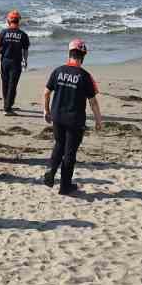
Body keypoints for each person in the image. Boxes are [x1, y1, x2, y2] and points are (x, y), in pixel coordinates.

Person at [43, 38, 103, 196]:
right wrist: (98, 120)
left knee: (59, 144)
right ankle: (65, 186)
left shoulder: (57, 71)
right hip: (74, 120)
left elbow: (46, 93)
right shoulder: (85, 76)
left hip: (57, 116)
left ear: (69, 53)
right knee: (69, 153)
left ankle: (50, 171)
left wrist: (46, 111)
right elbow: (93, 102)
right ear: (83, 56)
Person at [0, 10, 31, 114]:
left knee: (5, 83)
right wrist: (25, 60)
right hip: (16, 62)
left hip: (4, 61)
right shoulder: (23, 34)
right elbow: (25, 50)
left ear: (8, 21)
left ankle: (7, 104)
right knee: (12, 85)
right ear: (19, 21)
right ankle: (8, 108)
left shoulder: (3, 32)